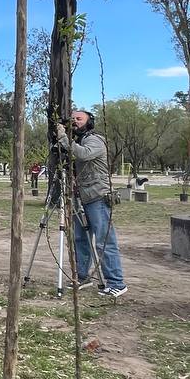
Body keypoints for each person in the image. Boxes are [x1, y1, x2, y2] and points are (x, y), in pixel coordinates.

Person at [57, 109, 127, 298]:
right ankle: (82, 277)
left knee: (104, 241)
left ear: (89, 122)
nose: (75, 121)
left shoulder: (94, 140)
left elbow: (83, 155)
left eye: (79, 119)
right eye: (72, 119)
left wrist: (63, 136)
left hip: (98, 197)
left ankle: (116, 283)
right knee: (80, 239)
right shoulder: (78, 141)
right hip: (81, 198)